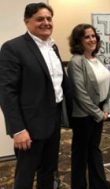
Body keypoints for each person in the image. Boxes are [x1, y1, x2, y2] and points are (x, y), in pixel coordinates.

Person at [0, 2, 72, 189]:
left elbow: (58, 83)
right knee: (25, 174)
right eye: (40, 19)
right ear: (27, 21)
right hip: (29, 126)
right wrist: (18, 129)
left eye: (49, 18)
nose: (46, 22)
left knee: (49, 169)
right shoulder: (13, 48)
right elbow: (7, 92)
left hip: (53, 119)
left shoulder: (53, 47)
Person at [68, 24, 110, 189]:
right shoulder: (76, 62)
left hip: (98, 110)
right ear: (79, 41)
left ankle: (99, 185)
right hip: (84, 115)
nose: (92, 40)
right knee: (80, 154)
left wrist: (105, 106)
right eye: (87, 37)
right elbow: (80, 93)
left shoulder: (96, 58)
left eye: (94, 36)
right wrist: (98, 113)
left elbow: (106, 84)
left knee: (94, 150)